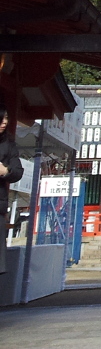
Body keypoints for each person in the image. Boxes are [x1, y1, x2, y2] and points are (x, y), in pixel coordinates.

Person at [0, 100, 23, 276]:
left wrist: (4, 171)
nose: (5, 122)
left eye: (7, 118)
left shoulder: (9, 144)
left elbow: (17, 171)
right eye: (1, 119)